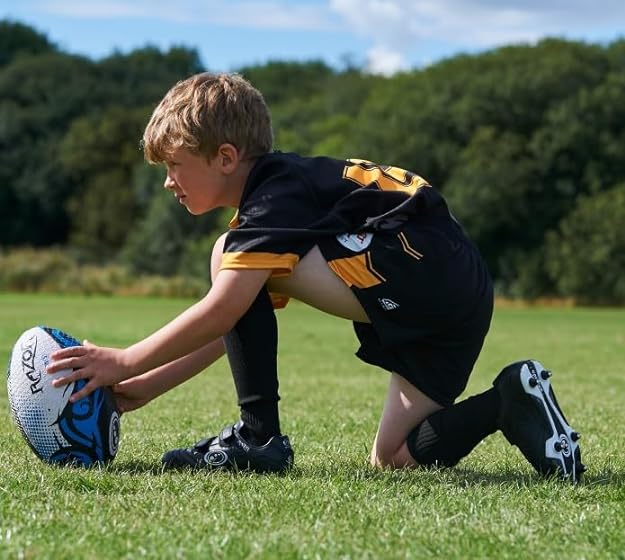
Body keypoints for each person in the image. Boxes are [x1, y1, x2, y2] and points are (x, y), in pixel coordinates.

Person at [47, 72, 584, 481]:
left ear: (226, 156)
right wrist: (140, 388)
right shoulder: (287, 200)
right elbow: (234, 327)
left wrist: (124, 359)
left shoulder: (273, 196)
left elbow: (226, 308)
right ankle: (510, 400)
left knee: (226, 255)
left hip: (416, 265)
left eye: (175, 166)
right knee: (394, 458)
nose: (168, 183)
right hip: (457, 293)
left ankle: (258, 439)